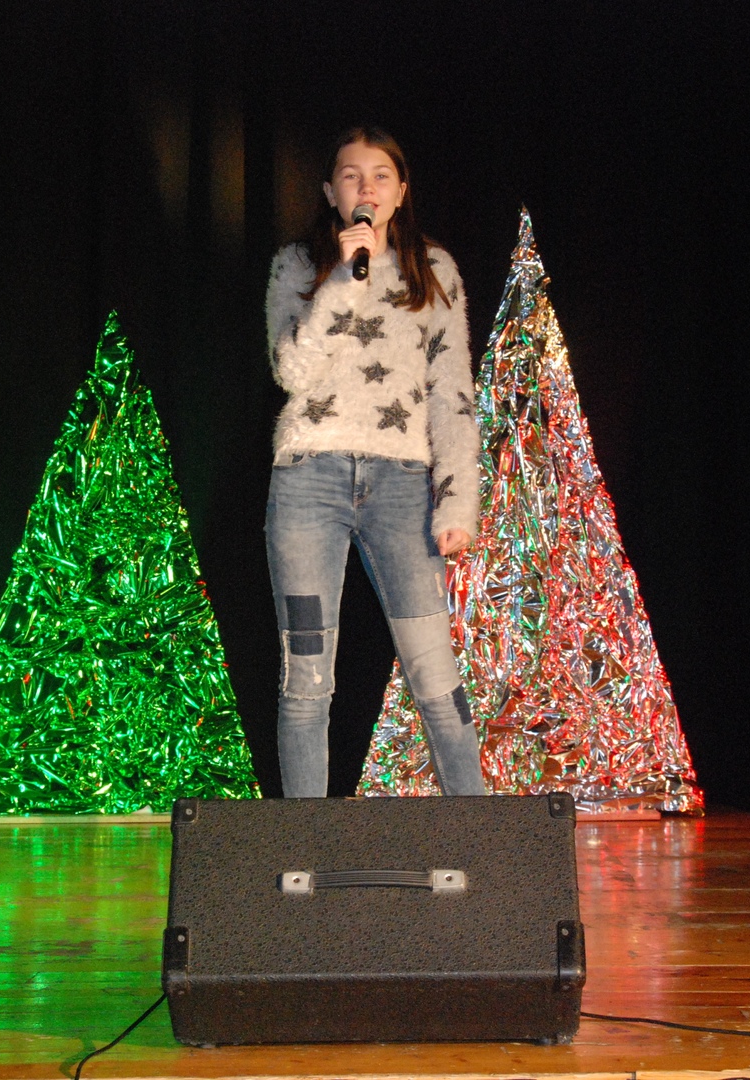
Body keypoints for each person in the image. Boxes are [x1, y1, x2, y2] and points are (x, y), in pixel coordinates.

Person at [264, 127, 486, 798]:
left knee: (435, 675)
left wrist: (457, 500)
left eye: (380, 175)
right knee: (307, 678)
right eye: (351, 175)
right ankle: (306, 843)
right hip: (309, 480)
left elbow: (452, 393)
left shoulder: (435, 271)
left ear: (401, 190)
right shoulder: (297, 264)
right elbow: (291, 370)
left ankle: (481, 837)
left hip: (401, 488)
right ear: (331, 192)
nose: (367, 187)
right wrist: (341, 281)